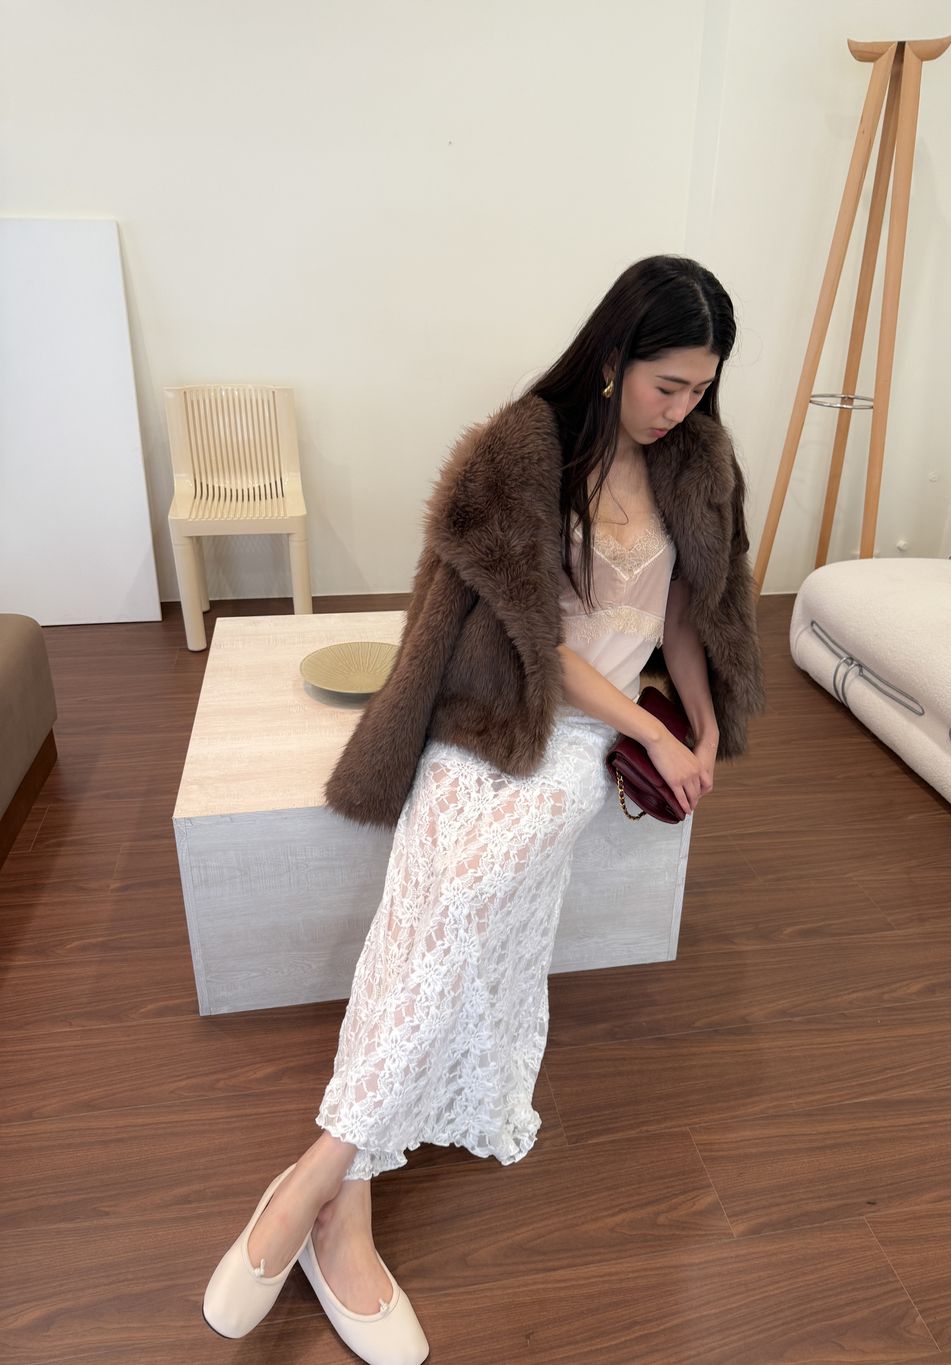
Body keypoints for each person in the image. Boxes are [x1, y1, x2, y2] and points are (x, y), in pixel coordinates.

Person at [201, 255, 766, 1365]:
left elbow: (687, 617)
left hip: (585, 738)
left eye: (702, 389)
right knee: (437, 887)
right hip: (503, 704)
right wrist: (656, 730)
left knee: (473, 886)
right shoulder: (526, 453)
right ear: (613, 358)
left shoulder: (697, 464)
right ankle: (336, 1192)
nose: (684, 409)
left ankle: (317, 1182)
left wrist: (698, 727)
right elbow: (537, 641)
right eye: (668, 385)